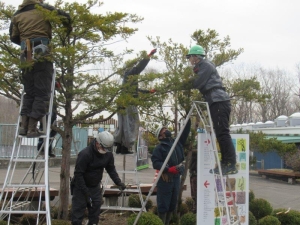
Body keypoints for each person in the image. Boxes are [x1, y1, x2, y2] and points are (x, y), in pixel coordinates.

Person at [9, 0, 71, 138]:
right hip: (42, 54)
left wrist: (27, 39)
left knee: (30, 92)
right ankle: (32, 128)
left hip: (25, 56)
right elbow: (66, 18)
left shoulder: (17, 14)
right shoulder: (44, 9)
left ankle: (23, 126)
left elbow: (13, 37)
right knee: (42, 93)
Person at [186, 45, 237, 175]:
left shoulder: (206, 65)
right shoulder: (201, 67)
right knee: (220, 133)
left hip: (218, 100)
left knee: (223, 133)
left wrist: (182, 84)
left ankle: (229, 163)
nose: (189, 60)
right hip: (215, 100)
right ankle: (226, 162)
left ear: (196, 57)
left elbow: (197, 83)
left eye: (190, 57)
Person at [71, 131, 126, 225]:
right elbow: (78, 174)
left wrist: (118, 182)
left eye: (108, 148)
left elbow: (111, 169)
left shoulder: (108, 154)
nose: (105, 150)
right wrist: (85, 192)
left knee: (95, 215)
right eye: (104, 147)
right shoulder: (85, 154)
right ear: (97, 143)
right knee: (77, 216)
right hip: (80, 187)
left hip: (95, 187)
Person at [114, 49, 156, 154]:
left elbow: (135, 90)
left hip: (121, 102)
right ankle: (125, 147)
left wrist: (148, 91)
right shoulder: (131, 72)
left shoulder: (127, 77)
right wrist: (148, 56)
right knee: (131, 124)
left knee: (123, 124)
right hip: (128, 103)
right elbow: (139, 67)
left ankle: (120, 146)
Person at [151, 119, 191, 225]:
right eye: (163, 131)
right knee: (163, 204)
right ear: (160, 136)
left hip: (176, 178)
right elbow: (156, 163)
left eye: (166, 129)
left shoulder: (177, 143)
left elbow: (185, 132)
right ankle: (161, 222)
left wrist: (188, 120)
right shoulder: (159, 148)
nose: (166, 131)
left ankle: (167, 222)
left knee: (172, 204)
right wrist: (168, 169)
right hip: (165, 179)